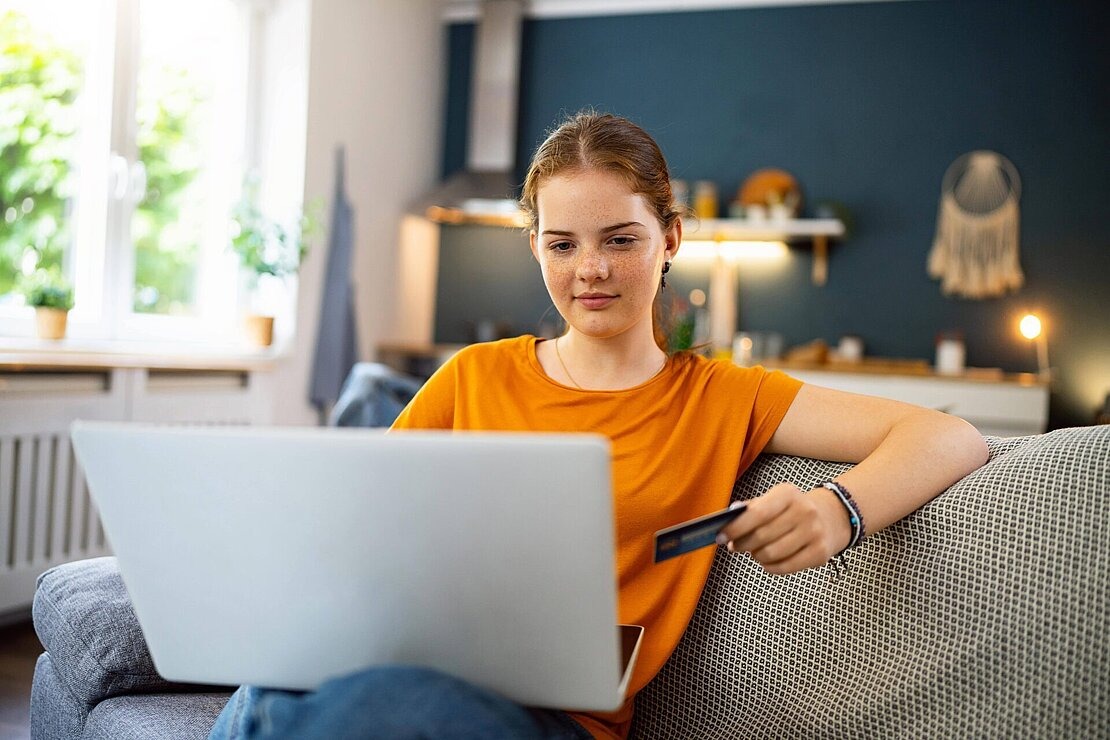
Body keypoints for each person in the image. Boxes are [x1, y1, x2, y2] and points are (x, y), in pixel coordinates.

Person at [209, 111, 987, 739]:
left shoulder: (723, 397)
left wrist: (835, 509)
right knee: (286, 686)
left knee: (372, 712)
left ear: (670, 240)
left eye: (620, 239)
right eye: (562, 244)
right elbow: (357, 531)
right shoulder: (472, 377)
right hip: (403, 668)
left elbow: (952, 437)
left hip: (550, 720)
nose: (592, 270)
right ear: (536, 248)